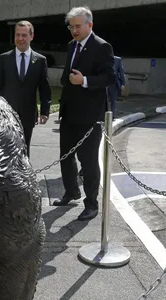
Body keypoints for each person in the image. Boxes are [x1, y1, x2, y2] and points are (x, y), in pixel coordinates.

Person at [53, 6, 116, 222]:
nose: (74, 31)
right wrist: (67, 81)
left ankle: (91, 204)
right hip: (69, 112)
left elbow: (110, 78)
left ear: (90, 25)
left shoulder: (102, 47)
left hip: (90, 116)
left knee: (88, 161)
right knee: (65, 157)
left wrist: (85, 81)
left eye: (78, 26)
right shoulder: (72, 46)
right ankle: (71, 192)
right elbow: (67, 75)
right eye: (71, 27)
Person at [0, 20, 51, 157]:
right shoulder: (4, 59)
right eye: (17, 35)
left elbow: (44, 88)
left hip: (28, 114)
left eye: (24, 35)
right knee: (6, 149)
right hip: (6, 114)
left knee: (24, 149)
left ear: (31, 36)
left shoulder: (40, 60)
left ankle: (24, 177)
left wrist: (45, 111)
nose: (20, 39)